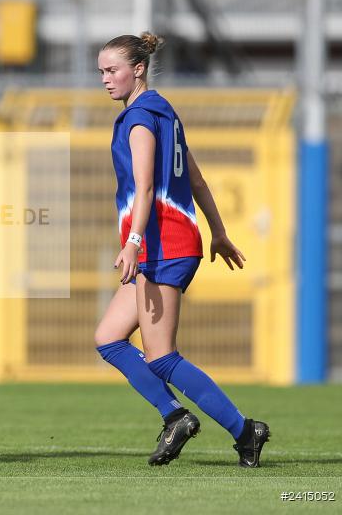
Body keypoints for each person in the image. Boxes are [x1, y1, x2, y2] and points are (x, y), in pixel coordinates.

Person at [94, 33, 270, 467]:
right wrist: (219, 232)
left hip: (161, 246)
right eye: (100, 71)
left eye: (112, 70)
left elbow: (146, 186)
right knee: (109, 338)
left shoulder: (138, 118)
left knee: (162, 357)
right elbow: (196, 180)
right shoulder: (165, 111)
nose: (105, 79)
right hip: (173, 242)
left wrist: (134, 242)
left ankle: (245, 430)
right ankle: (175, 415)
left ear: (138, 68)